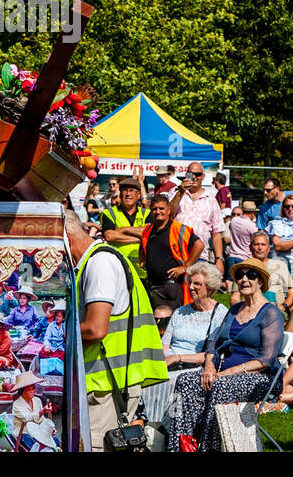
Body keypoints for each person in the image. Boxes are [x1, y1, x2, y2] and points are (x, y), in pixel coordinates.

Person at [67, 212, 168, 451]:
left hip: (106, 387)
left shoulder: (99, 263)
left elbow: (95, 328)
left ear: (66, 238)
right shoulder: (92, 262)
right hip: (104, 383)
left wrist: (55, 337)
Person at [166, 257, 281, 452]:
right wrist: (209, 366)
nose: (244, 279)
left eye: (251, 275)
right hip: (221, 371)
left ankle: (208, 447)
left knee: (220, 385)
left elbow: (267, 359)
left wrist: (229, 373)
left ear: (260, 281)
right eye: (240, 275)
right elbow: (213, 343)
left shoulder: (270, 312)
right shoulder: (234, 310)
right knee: (186, 381)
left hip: (260, 377)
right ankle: (182, 446)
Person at [145, 262, 228, 429]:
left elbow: (212, 353)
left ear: (210, 288)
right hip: (168, 364)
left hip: (194, 367)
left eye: (197, 284)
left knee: (175, 382)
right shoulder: (180, 311)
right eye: (189, 282)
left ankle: (168, 429)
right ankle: (149, 427)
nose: (191, 287)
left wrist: (177, 358)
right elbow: (164, 345)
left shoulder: (219, 313)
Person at [139, 192, 203, 310]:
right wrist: (142, 260)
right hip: (153, 285)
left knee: (171, 322)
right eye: (154, 209)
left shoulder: (179, 229)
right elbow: (142, 245)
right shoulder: (148, 229)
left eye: (161, 208)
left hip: (172, 287)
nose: (158, 212)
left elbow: (199, 245)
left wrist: (185, 267)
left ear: (169, 210)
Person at [168, 162, 227, 277]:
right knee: (177, 293)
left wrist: (219, 259)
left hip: (200, 256)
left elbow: (217, 232)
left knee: (197, 291)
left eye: (198, 174)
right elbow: (169, 215)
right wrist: (181, 192)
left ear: (203, 176)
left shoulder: (211, 200)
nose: (194, 177)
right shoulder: (175, 192)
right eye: (191, 174)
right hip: (176, 253)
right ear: (186, 174)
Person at [99, 177, 151, 278]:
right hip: (117, 269)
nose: (128, 194)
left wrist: (124, 229)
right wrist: (140, 238)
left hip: (142, 272)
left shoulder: (147, 214)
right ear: (120, 193)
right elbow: (110, 236)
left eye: (132, 191)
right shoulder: (109, 213)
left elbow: (150, 233)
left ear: (138, 195)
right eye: (125, 191)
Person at [10, 371, 56, 449]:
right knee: (34, 445)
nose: (32, 391)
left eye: (33, 389)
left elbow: (41, 420)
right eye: (28, 390)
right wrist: (42, 411)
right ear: (22, 392)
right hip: (23, 435)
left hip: (38, 434)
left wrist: (50, 428)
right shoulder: (17, 404)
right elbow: (26, 418)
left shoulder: (37, 400)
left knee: (55, 441)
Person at [250, 231, 293, 310]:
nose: (260, 248)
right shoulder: (244, 267)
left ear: (268, 248)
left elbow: (291, 293)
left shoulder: (280, 265)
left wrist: (283, 307)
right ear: (250, 247)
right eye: (256, 244)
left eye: (263, 244)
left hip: (277, 310)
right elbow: (235, 296)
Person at [225, 201, 258, 270]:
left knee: (230, 280)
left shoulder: (233, 221)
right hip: (245, 258)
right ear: (252, 213)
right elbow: (255, 241)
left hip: (232, 256)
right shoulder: (252, 226)